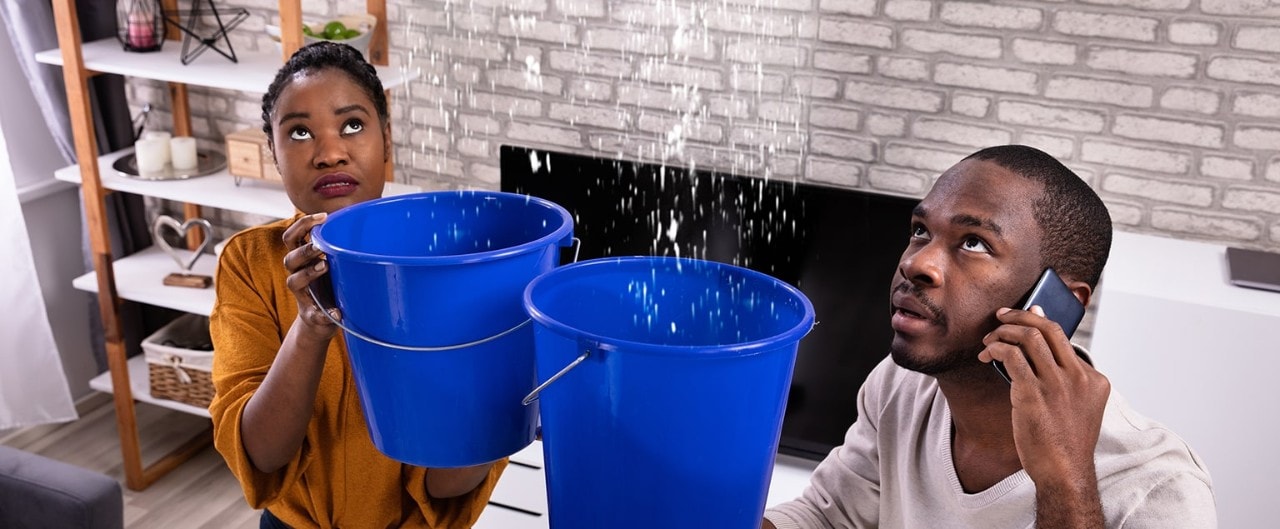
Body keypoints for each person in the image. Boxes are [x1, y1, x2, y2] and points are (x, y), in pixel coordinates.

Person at [763, 145, 1216, 529]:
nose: (916, 263)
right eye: (921, 231)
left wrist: (1064, 477)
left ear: (1058, 301)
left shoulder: (1160, 488)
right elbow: (828, 517)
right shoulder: (901, 387)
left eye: (974, 242)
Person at [209, 41, 504, 529]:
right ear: (274, 155)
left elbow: (443, 485)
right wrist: (309, 326)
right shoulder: (251, 263)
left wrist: (504, 404)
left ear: (386, 139)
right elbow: (261, 455)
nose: (329, 153)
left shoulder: (445, 266)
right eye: (300, 132)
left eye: (352, 125)